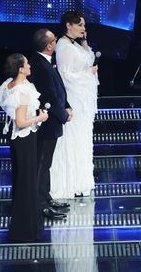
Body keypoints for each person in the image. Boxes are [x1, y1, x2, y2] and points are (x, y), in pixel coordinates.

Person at [0, 53, 49, 243]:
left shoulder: (9, 85)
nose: (30, 66)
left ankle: (25, 226)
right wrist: (39, 118)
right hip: (24, 138)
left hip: (17, 139)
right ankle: (25, 229)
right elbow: (20, 121)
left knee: (22, 180)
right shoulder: (22, 90)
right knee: (26, 181)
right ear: (20, 68)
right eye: (27, 64)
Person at [49, 10, 99, 199]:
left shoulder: (74, 44)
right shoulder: (64, 46)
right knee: (73, 138)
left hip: (83, 100)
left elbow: (88, 57)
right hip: (74, 99)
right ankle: (68, 182)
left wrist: (84, 40)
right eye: (79, 25)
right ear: (68, 25)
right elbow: (65, 76)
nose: (83, 28)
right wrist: (88, 73)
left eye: (84, 25)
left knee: (82, 139)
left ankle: (80, 181)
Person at [27, 28, 72, 220]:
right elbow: (49, 96)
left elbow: (58, 90)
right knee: (41, 165)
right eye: (54, 39)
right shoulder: (40, 65)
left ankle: (46, 197)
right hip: (46, 125)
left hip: (51, 123)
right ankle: (41, 205)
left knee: (45, 164)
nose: (56, 42)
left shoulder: (44, 62)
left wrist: (67, 106)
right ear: (49, 45)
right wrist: (63, 115)